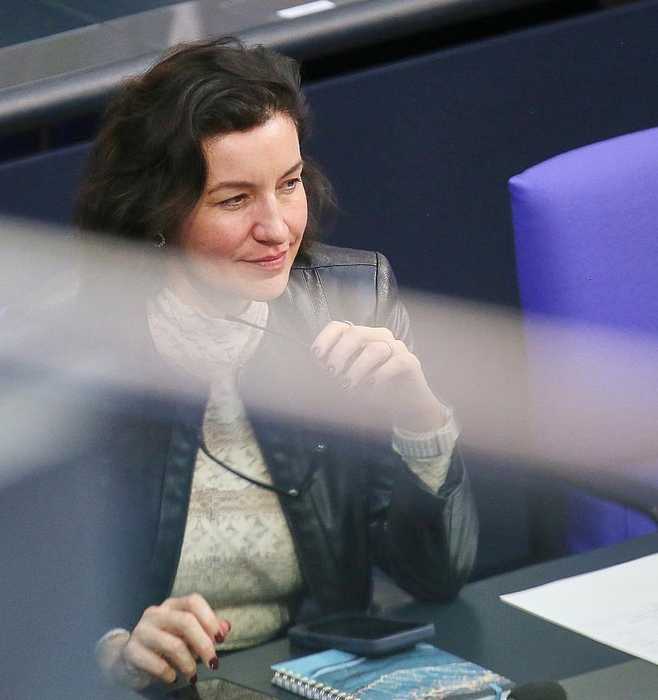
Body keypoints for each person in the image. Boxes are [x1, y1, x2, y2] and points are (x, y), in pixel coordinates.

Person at [64, 37, 478, 693]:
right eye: (234, 200)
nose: (278, 229)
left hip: (314, 677)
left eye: (289, 184)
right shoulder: (71, 353)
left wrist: (419, 415)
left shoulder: (355, 302)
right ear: (157, 211)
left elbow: (436, 577)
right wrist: (112, 650)